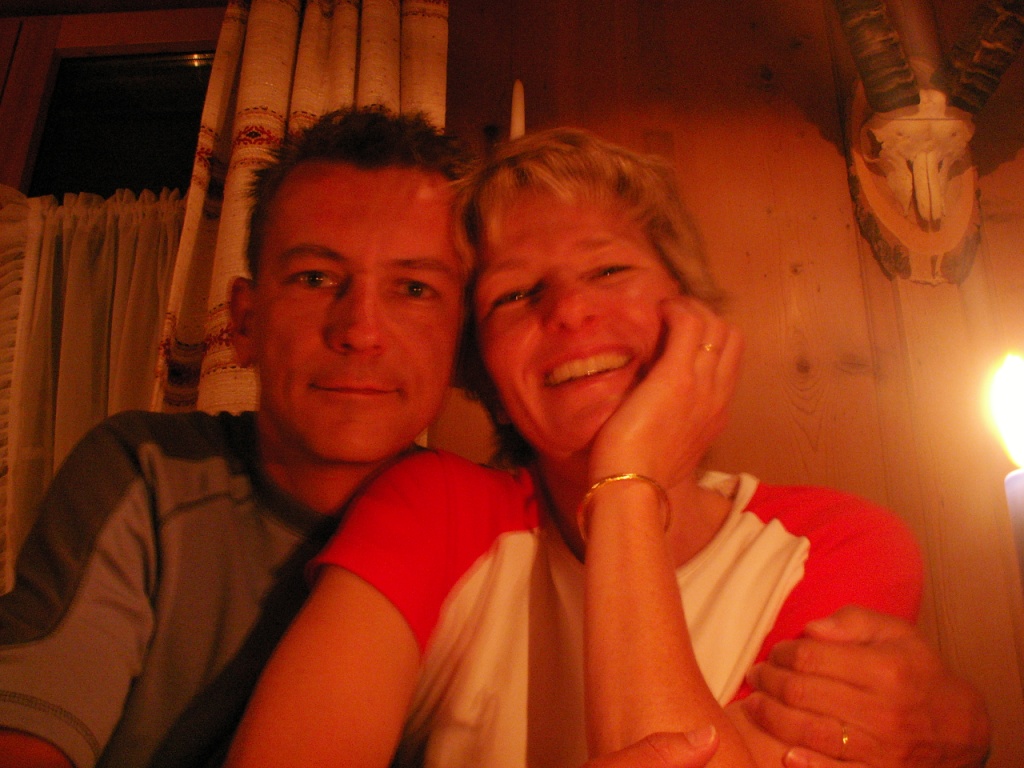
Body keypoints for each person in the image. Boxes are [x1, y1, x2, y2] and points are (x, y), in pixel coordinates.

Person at [226, 127, 988, 768]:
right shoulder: (434, 508)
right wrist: (633, 480)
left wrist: (624, 482)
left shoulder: (833, 543)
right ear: (483, 367)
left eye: (609, 269)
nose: (569, 311)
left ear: (690, 310)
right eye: (515, 293)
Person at [0, 106, 474, 768]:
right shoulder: (147, 475)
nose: (360, 331)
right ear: (244, 324)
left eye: (414, 288)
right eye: (315, 278)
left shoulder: (491, 533)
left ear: (461, 338)